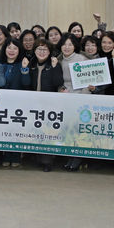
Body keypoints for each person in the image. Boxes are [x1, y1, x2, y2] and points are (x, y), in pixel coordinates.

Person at [29, 38, 63, 171]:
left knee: (47, 133)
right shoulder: (31, 64)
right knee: (36, 132)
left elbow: (57, 83)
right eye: (39, 49)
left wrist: (54, 68)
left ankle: (47, 162)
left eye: (45, 49)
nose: (42, 52)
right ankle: (37, 158)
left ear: (50, 52)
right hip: (33, 104)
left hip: (49, 105)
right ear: (34, 50)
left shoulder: (54, 64)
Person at [0, 37, 31, 168]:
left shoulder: (22, 64)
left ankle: (15, 156)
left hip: (18, 104)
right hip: (2, 104)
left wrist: (24, 69)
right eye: (9, 47)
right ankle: (6, 156)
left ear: (19, 50)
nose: (11, 50)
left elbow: (26, 83)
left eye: (15, 48)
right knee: (4, 130)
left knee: (15, 131)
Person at [57, 33, 88, 171]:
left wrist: (82, 98)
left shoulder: (81, 59)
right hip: (65, 99)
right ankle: (70, 155)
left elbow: (88, 82)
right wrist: (60, 89)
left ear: (75, 46)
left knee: (78, 129)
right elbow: (58, 81)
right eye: (64, 44)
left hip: (80, 99)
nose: (67, 47)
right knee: (68, 129)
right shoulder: (59, 60)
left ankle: (77, 157)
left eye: (70, 44)